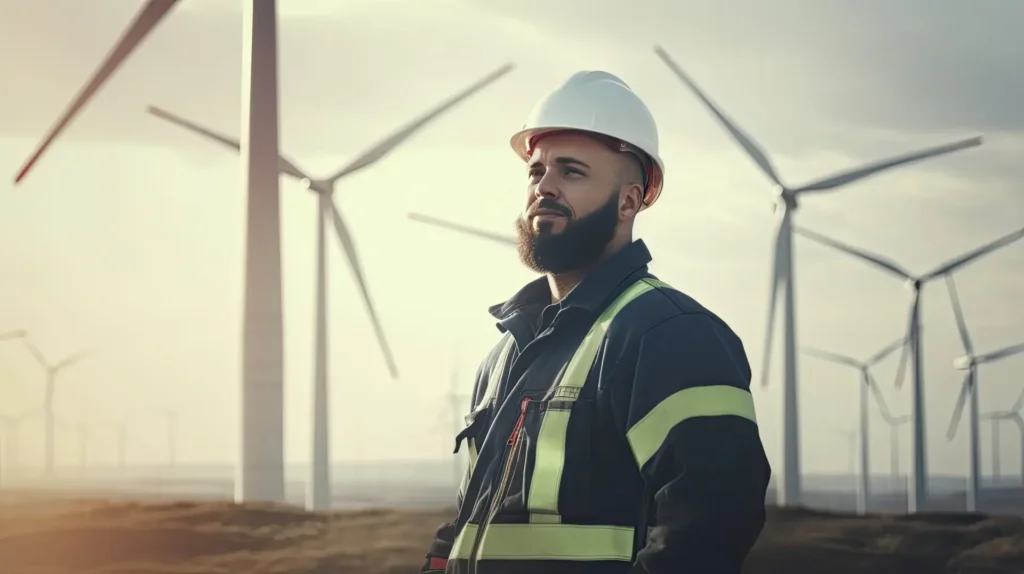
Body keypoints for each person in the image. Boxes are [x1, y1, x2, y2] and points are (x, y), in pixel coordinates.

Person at [421, 70, 771, 574]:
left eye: (571, 172)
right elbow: (472, 518)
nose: (544, 186)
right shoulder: (504, 355)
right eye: (536, 171)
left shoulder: (671, 334)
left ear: (629, 201)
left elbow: (713, 522)